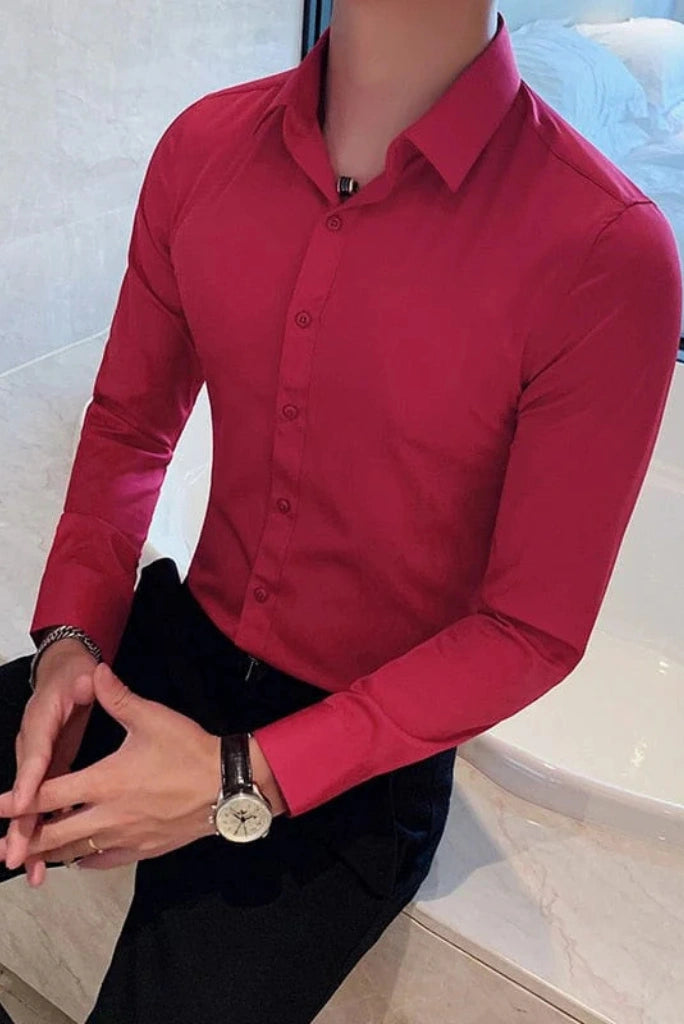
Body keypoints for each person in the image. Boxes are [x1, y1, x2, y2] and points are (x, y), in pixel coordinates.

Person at [0, 0, 681, 1021]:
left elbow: (529, 627)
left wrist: (241, 777)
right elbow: (132, 427)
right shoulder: (203, 150)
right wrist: (71, 645)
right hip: (168, 654)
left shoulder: (605, 251)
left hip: (359, 765)